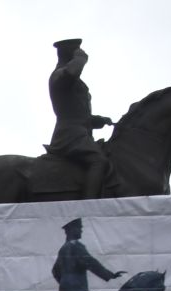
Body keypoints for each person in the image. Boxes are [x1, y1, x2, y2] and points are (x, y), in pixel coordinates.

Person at [46, 38, 112, 200]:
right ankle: (87, 206)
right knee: (99, 161)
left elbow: (76, 112)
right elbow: (71, 73)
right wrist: (81, 59)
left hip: (81, 132)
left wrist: (97, 120)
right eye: (76, 49)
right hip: (69, 134)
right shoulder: (59, 75)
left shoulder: (71, 79)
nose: (79, 51)